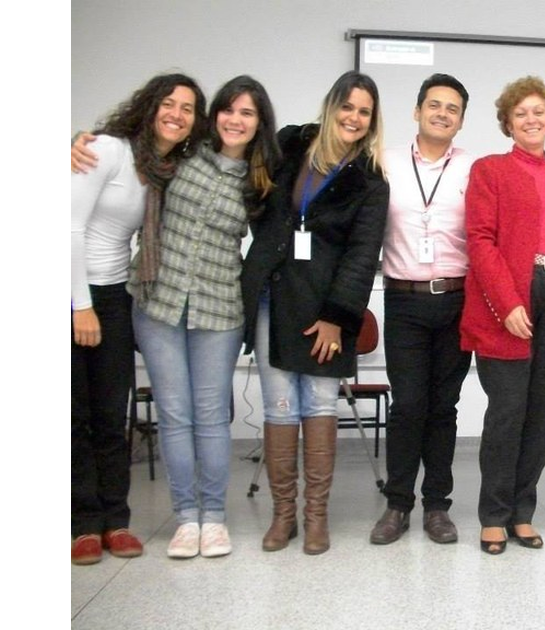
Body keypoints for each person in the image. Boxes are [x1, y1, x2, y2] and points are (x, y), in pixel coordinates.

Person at [77, 75, 281, 559]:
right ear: (215, 116)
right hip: (158, 302)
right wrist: (78, 141)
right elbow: (126, 154)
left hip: (220, 309)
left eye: (247, 113)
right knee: (174, 416)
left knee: (210, 418)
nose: (236, 120)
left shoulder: (262, 179)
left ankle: (213, 518)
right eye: (228, 110)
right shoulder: (178, 158)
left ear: (259, 124)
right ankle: (185, 517)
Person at [241, 71, 389, 556]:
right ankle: (284, 516)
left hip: (327, 309)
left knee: (321, 405)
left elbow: (363, 254)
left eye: (363, 111)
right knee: (279, 405)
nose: (354, 117)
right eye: (347, 106)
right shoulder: (289, 148)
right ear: (331, 107)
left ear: (372, 121)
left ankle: (315, 516)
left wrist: (337, 316)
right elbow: (231, 152)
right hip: (274, 298)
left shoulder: (370, 180)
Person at [70, 74, 205, 566]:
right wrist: (79, 305)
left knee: (112, 414)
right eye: (168, 103)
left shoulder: (165, 169)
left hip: (116, 295)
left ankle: (117, 520)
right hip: (79, 293)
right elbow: (72, 225)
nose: (176, 113)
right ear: (148, 108)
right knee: (76, 417)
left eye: (188, 109)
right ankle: (83, 525)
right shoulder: (106, 150)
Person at [461, 76, 545, 555]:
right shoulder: (489, 169)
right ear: (507, 123)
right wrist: (508, 302)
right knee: (508, 411)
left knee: (544, 412)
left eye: (538, 112)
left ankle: (522, 511)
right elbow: (481, 241)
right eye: (521, 114)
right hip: (512, 296)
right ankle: (493, 515)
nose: (531, 120)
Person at [369, 74, 474, 546]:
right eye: (434, 105)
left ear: (461, 120)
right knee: (408, 406)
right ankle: (397, 505)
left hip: (456, 298)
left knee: (443, 408)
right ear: (416, 111)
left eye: (452, 108)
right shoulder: (384, 163)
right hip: (405, 299)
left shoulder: (474, 169)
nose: (442, 113)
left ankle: (437, 507)